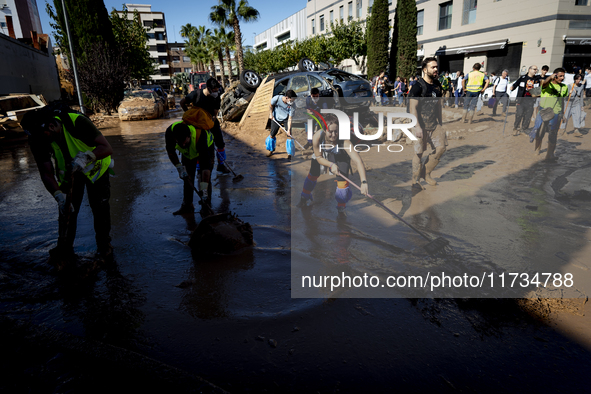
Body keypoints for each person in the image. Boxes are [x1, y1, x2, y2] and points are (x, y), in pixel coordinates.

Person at [21, 107, 114, 259]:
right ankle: (64, 249)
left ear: (51, 126)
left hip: (96, 168)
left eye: (43, 136)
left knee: (99, 207)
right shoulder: (38, 137)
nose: (41, 142)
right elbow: (46, 172)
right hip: (69, 173)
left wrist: (86, 158)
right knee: (67, 210)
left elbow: (107, 148)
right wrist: (58, 195)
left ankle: (104, 247)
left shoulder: (77, 122)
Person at [297, 114, 369, 216]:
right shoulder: (317, 137)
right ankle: (304, 197)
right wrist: (331, 164)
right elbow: (319, 158)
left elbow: (358, 161)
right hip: (323, 154)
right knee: (313, 174)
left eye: (336, 131)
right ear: (325, 130)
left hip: (341, 154)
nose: (334, 135)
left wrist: (364, 182)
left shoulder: (345, 141)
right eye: (330, 132)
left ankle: (341, 209)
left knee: (342, 183)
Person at [165, 107, 215, 215]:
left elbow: (205, 169)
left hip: (207, 150)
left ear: (190, 136)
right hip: (188, 154)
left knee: (203, 179)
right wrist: (179, 167)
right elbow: (171, 152)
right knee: (188, 177)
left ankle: (206, 205)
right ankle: (187, 205)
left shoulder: (200, 137)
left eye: (184, 142)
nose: (182, 145)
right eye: (179, 143)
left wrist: (204, 191)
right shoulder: (170, 132)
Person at [408, 57, 446, 187]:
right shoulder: (417, 87)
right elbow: (413, 108)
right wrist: (417, 127)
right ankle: (415, 181)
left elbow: (438, 106)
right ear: (425, 70)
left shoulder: (437, 85)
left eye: (436, 67)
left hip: (434, 124)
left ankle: (426, 173)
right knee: (419, 153)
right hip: (420, 124)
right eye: (433, 67)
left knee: (441, 148)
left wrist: (440, 124)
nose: (436, 69)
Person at [180, 78, 230, 174]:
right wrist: (189, 115)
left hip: (211, 123)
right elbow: (182, 102)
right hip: (198, 126)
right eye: (214, 90)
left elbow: (215, 114)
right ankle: (200, 168)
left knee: (220, 144)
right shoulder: (196, 94)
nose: (216, 92)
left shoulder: (216, 97)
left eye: (217, 90)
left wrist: (210, 124)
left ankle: (221, 165)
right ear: (208, 88)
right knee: (200, 146)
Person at [529, 67, 569, 161]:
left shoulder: (564, 87)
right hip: (543, 112)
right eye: (560, 76)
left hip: (556, 114)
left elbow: (562, 100)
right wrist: (549, 78)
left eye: (563, 76)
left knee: (553, 134)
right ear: (554, 76)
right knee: (539, 133)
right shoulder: (546, 85)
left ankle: (549, 155)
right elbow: (542, 86)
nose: (562, 78)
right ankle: (536, 151)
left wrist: (563, 114)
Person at [267, 89, 297, 160]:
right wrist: (271, 114)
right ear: (286, 98)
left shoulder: (293, 105)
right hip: (276, 117)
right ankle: (271, 150)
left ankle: (290, 154)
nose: (292, 102)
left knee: (289, 136)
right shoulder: (277, 98)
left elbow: (290, 118)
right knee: (272, 134)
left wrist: (288, 130)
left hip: (286, 118)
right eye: (291, 100)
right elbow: (270, 104)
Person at [511, 65, 541, 135]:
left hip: (530, 101)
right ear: (529, 70)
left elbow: (538, 90)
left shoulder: (536, 80)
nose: (535, 71)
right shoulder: (523, 78)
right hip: (521, 100)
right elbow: (516, 84)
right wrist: (512, 87)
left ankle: (524, 129)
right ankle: (515, 128)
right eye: (534, 69)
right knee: (519, 114)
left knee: (528, 116)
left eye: (536, 69)